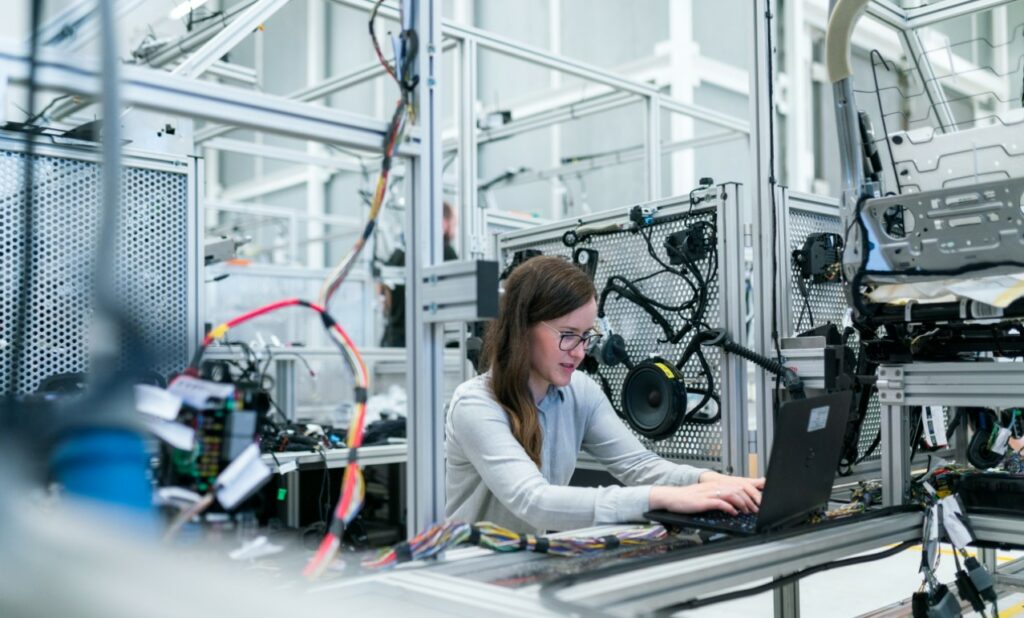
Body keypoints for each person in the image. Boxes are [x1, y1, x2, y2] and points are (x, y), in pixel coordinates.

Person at [446, 255, 764, 532]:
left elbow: (640, 466)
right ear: (523, 327)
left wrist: (717, 483)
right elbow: (534, 501)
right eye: (568, 335)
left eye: (586, 337)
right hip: (472, 576)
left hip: (527, 564)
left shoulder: (579, 392)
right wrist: (663, 498)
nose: (580, 352)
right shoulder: (476, 404)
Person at [379, 202, 458, 347]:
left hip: (393, 343)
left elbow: (384, 299)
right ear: (443, 222)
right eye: (454, 223)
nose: (454, 230)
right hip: (424, 343)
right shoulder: (444, 252)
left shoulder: (398, 253)